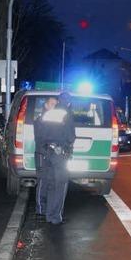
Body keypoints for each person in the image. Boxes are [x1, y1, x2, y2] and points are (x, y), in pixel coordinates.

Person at [34, 94, 76, 224]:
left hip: (48, 153)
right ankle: (55, 217)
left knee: (51, 184)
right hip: (59, 155)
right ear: (68, 103)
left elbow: (40, 134)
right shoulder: (66, 114)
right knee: (60, 185)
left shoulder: (49, 114)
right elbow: (70, 137)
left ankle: (48, 215)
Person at [34, 96, 59, 216]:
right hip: (42, 153)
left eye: (56, 104)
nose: (54, 106)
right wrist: (49, 147)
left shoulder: (55, 119)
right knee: (43, 180)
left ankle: (47, 208)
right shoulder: (41, 119)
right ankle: (40, 208)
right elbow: (40, 139)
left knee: (51, 181)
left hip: (51, 154)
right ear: (46, 105)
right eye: (52, 104)